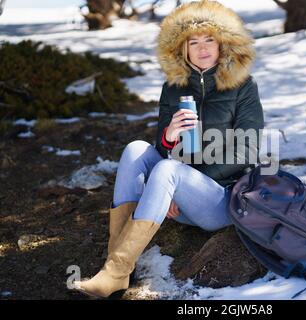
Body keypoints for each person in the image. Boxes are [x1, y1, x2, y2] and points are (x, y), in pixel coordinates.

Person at [72, 0, 264, 298]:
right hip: (176, 194)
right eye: (193, 42)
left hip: (219, 200)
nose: (202, 49)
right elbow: (162, 151)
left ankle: (116, 270)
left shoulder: (243, 86)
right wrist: (170, 135)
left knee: (169, 169)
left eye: (209, 40)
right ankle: (116, 266)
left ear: (223, 43)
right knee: (136, 148)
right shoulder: (174, 87)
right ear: (182, 48)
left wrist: (176, 182)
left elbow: (248, 150)